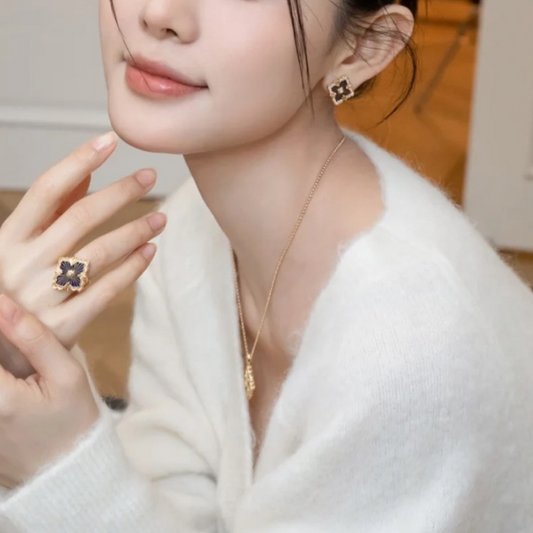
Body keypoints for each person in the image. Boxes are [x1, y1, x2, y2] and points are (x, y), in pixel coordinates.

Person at [0, 0, 532, 531]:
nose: (160, 13)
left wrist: (59, 465)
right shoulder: (191, 229)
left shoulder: (407, 351)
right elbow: (176, 502)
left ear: (362, 48)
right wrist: (27, 370)